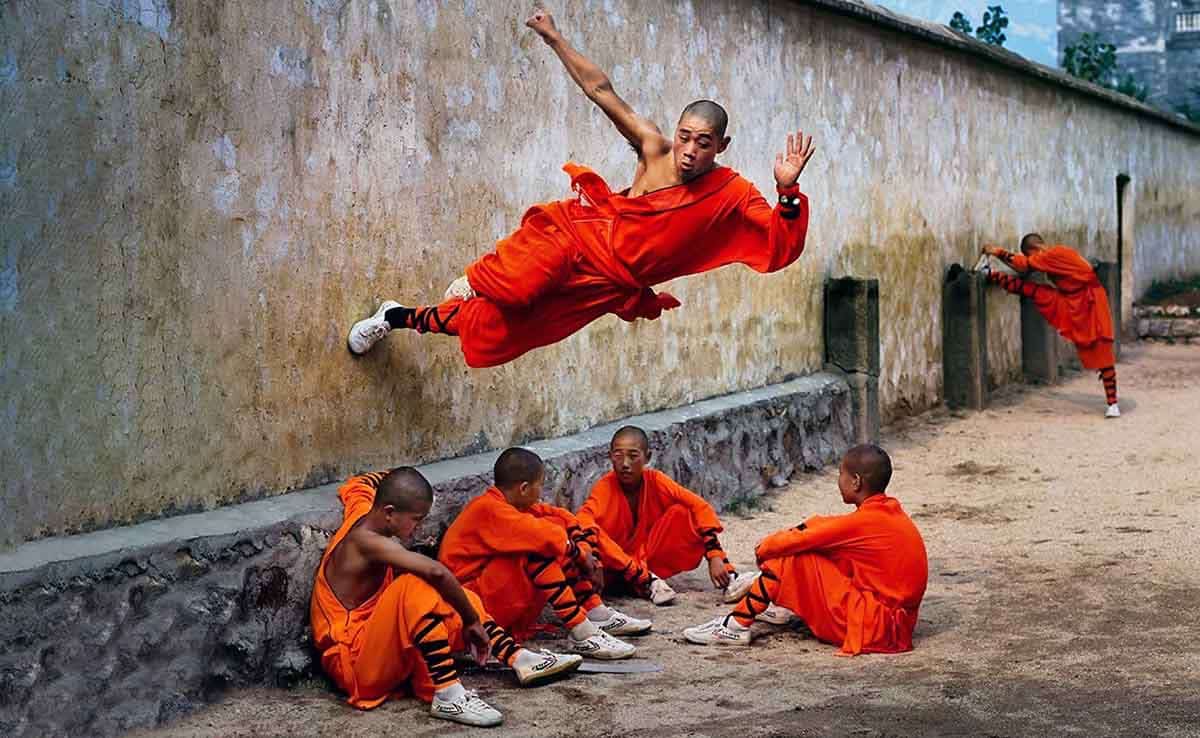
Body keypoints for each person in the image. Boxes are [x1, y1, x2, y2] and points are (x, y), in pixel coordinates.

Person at [346, 8, 815, 368]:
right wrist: (555, 39)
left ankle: (395, 316)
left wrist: (788, 193)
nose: (689, 151)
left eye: (703, 143)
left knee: (498, 330)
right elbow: (602, 91)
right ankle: (480, 277)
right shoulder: (653, 148)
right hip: (578, 237)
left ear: (722, 145)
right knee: (512, 288)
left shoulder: (732, 193)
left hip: (605, 286)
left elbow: (778, 242)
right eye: (685, 137)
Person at [311, 467, 582, 727]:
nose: (419, 528)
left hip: (379, 646)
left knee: (454, 595)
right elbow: (436, 572)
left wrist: (393, 476)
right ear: (390, 512)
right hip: (356, 669)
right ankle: (448, 695)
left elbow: (360, 485)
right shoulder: (365, 540)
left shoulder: (366, 509)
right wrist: (471, 621)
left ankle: (517, 658)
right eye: (416, 519)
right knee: (415, 585)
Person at [682, 445, 928, 656]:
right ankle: (775, 599)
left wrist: (765, 549)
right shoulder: (887, 512)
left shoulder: (864, 522)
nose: (838, 480)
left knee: (790, 557)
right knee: (823, 553)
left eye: (840, 473)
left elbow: (796, 540)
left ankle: (735, 626)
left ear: (856, 481)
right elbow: (825, 528)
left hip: (875, 628)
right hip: (896, 626)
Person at [439, 447, 647, 659]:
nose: (541, 494)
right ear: (524, 488)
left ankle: (594, 611)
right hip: (470, 610)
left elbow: (562, 517)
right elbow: (545, 537)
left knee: (554, 531)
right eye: (540, 486)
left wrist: (584, 551)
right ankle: (581, 630)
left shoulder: (508, 503)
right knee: (537, 547)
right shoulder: (488, 509)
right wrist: (580, 554)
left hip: (488, 596)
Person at [577, 425, 755, 606]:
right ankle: (646, 581)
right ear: (610, 456)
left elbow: (699, 506)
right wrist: (596, 562)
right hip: (613, 570)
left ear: (647, 457)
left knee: (684, 512)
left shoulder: (655, 480)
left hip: (643, 561)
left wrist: (714, 555)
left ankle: (730, 577)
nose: (625, 464)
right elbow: (583, 520)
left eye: (633, 456)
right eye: (618, 455)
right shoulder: (605, 487)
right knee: (594, 532)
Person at [981, 235, 1119, 417]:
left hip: (1089, 301)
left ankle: (1113, 403)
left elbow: (1023, 264)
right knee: (1037, 292)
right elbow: (1026, 264)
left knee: (1102, 347)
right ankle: (991, 275)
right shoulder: (1056, 253)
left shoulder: (1050, 255)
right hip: (1073, 299)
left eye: (1030, 255)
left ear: (1033, 249)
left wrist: (997, 251)